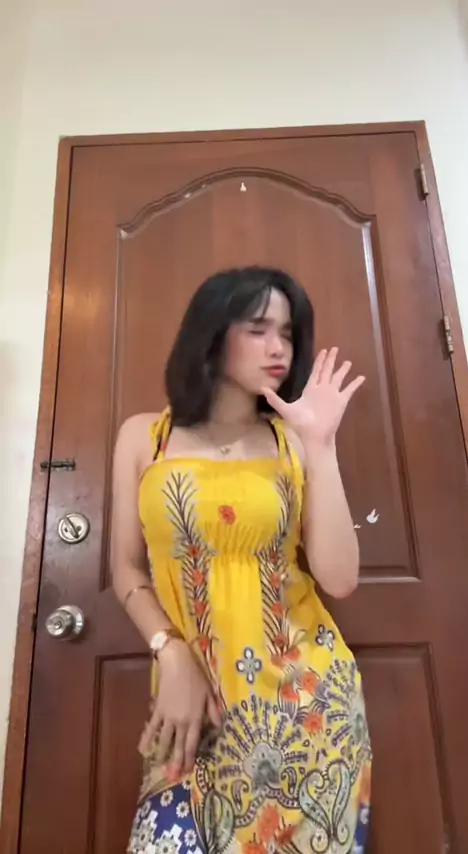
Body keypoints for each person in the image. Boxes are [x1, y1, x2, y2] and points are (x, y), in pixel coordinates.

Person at [111, 266, 372, 854]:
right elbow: (126, 570)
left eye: (288, 333)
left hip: (307, 711)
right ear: (211, 331)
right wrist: (170, 651)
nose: (279, 347)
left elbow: (339, 578)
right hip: (192, 711)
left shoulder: (293, 440)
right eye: (258, 329)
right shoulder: (144, 438)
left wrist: (321, 444)